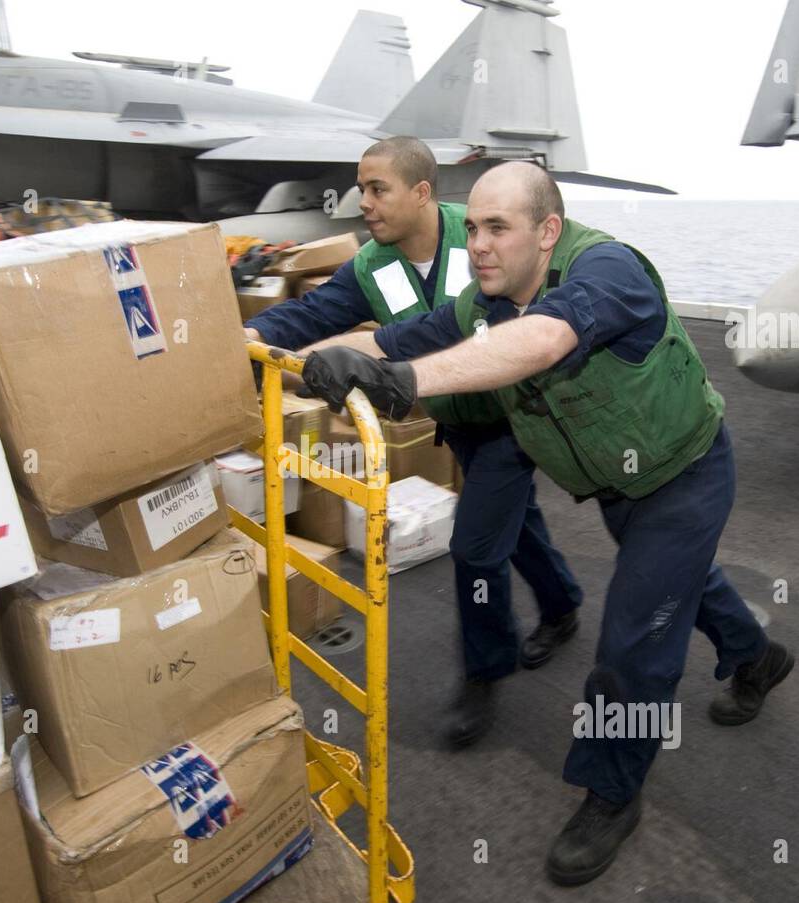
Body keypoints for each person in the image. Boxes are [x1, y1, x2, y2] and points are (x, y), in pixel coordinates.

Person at [299, 161, 795, 886]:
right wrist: (297, 361)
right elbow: (402, 339)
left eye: (499, 227)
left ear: (548, 231)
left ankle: (613, 792)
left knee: (636, 636)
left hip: (685, 472)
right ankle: (757, 658)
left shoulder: (606, 269)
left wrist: (402, 386)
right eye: (473, 229)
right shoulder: (484, 302)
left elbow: (543, 341)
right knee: (682, 588)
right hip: (619, 479)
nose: (481, 245)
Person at [245, 137, 582, 748]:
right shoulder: (370, 265)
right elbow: (307, 317)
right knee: (515, 520)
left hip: (512, 417)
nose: (363, 202)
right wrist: (246, 336)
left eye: (378, 189)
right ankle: (562, 603)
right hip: (456, 422)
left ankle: (485, 669)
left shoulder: (481, 236)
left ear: (422, 193)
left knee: (478, 547)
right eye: (361, 188)